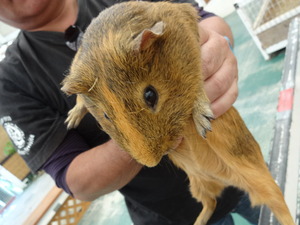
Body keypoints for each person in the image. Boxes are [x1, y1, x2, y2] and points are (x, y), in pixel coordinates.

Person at [0, 0, 259, 224]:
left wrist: (217, 46)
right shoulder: (10, 81)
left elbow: (200, 18)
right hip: (170, 212)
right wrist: (142, 134)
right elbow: (76, 179)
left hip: (238, 160)